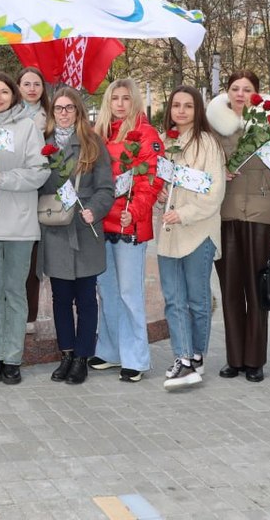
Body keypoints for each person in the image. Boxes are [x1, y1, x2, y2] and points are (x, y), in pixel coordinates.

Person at [206, 69, 270, 383]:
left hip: (262, 216)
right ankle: (235, 358)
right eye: (235, 88)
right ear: (227, 93)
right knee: (231, 290)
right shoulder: (214, 128)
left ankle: (255, 360)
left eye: (247, 89)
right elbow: (201, 166)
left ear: (257, 94)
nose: (241, 93)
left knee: (257, 292)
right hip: (225, 216)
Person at [0, 73, 49, 386]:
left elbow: (40, 172)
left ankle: (13, 358)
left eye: (4, 91)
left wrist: (3, 177)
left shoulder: (28, 128)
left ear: (14, 94)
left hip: (18, 223)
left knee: (15, 291)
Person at [39, 87, 115, 385]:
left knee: (86, 297)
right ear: (52, 111)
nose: (64, 113)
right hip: (56, 228)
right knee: (60, 298)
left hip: (85, 229)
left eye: (70, 108)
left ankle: (83, 356)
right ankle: (67, 354)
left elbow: (106, 187)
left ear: (79, 111)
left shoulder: (92, 143)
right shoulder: (42, 144)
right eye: (59, 108)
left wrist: (95, 210)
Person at [91, 79, 164, 382]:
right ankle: (110, 351)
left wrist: (132, 211)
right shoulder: (99, 135)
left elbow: (152, 181)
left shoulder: (146, 135)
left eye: (125, 98)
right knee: (106, 291)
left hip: (129, 224)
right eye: (114, 98)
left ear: (134, 101)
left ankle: (136, 358)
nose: (119, 104)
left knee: (129, 293)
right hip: (100, 222)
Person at [156, 86, 226, 390]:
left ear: (198, 110)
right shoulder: (165, 142)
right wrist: (160, 196)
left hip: (198, 231)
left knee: (197, 299)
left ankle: (197, 356)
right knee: (173, 299)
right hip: (169, 234)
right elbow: (161, 182)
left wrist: (183, 213)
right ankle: (183, 359)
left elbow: (214, 193)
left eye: (188, 106)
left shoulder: (208, 144)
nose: (181, 111)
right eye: (176, 105)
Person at [16, 66, 52, 334]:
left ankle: (30, 314)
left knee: (34, 259)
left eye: (36, 84)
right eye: (26, 84)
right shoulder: (9, 116)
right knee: (18, 258)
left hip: (43, 192)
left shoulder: (51, 117)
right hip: (14, 192)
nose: (31, 88)